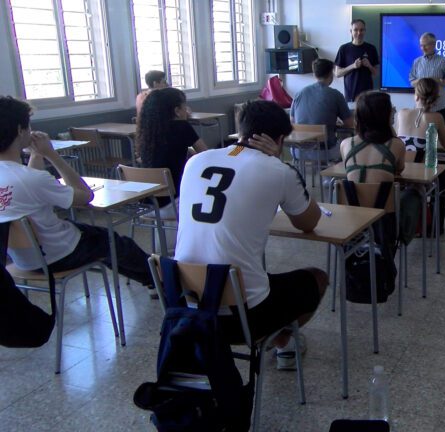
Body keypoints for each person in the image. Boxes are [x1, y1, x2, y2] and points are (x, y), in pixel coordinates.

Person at [174, 99, 328, 371]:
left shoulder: (195, 161)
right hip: (242, 318)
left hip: (189, 306)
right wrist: (280, 162)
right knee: (317, 278)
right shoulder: (278, 170)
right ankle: (283, 341)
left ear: (241, 130)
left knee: (252, 272)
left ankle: (278, 338)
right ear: (279, 140)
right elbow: (309, 222)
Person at [0, 96, 154, 294]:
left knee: (104, 242)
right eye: (28, 126)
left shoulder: (22, 177)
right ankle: (162, 281)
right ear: (20, 130)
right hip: (58, 254)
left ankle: (153, 281)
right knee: (116, 243)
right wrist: (52, 155)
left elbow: (29, 182)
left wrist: (37, 154)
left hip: (21, 259)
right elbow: (85, 195)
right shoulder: (31, 179)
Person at [136, 87, 207, 218]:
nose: (187, 110)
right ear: (177, 111)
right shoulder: (182, 127)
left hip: (146, 204)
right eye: (185, 107)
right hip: (173, 204)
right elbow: (205, 154)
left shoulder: (147, 131)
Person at [395, 78, 445, 234]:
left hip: (401, 171)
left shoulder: (402, 114)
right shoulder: (437, 118)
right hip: (426, 173)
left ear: (416, 96)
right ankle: (433, 227)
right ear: (436, 97)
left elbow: (396, 139)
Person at [291, 58, 354, 162]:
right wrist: (333, 125)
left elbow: (293, 121)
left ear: (315, 75)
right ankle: (332, 173)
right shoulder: (336, 95)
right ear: (331, 74)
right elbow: (349, 124)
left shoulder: (299, 94)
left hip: (298, 151)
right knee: (346, 144)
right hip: (325, 151)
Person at [339, 91, 405, 184]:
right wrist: (389, 125)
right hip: (385, 194)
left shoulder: (345, 144)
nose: (394, 111)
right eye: (391, 109)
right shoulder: (397, 144)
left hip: (352, 194)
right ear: (386, 115)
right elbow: (399, 169)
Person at [334, 19, 380, 103]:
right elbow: (337, 73)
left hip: (368, 95)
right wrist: (353, 66)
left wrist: (369, 65)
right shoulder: (344, 49)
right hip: (351, 95)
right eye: (355, 30)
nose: (359, 33)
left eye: (361, 30)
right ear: (351, 31)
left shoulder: (371, 48)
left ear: (365, 31)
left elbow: (376, 73)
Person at [409, 33, 445, 113]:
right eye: (421, 45)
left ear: (434, 44)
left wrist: (435, 80)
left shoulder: (443, 61)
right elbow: (412, 82)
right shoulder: (416, 62)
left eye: (425, 45)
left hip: (439, 108)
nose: (423, 48)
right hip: (420, 108)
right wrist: (423, 81)